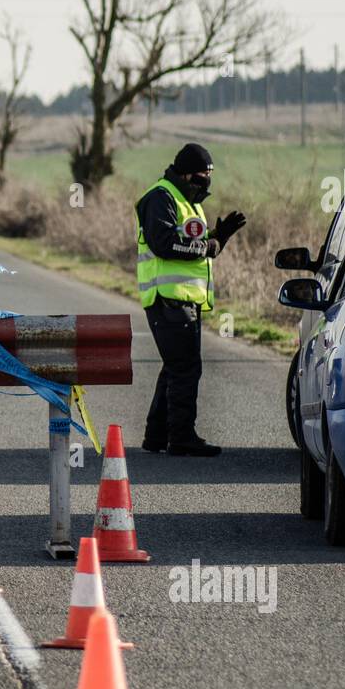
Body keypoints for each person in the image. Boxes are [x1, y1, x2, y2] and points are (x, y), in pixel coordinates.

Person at [137, 143, 246, 457]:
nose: (206, 180)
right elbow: (166, 244)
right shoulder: (161, 197)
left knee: (175, 367)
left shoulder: (186, 199)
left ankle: (156, 436)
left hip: (183, 299)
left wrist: (218, 237)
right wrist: (208, 246)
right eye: (202, 174)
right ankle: (181, 437)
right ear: (185, 173)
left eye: (210, 174)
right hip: (168, 298)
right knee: (185, 368)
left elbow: (196, 243)